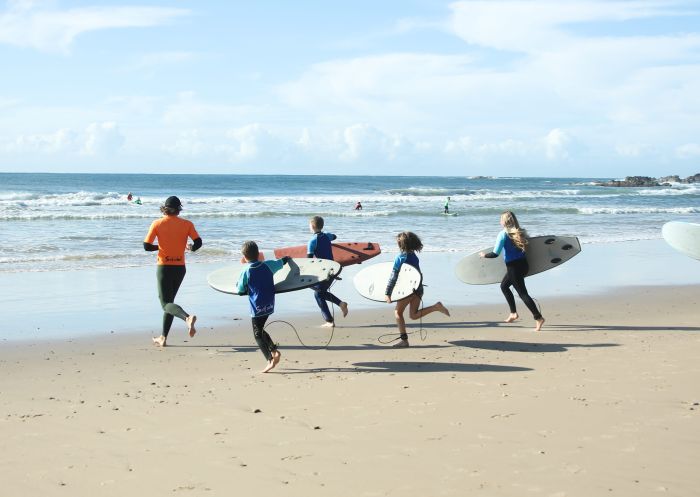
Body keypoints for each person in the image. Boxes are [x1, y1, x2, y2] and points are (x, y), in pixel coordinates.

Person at [143, 196, 201, 347]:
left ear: (165, 208)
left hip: (164, 267)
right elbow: (198, 242)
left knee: (165, 304)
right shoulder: (187, 224)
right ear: (179, 208)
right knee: (170, 303)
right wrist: (190, 248)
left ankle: (187, 317)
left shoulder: (157, 223)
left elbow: (147, 246)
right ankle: (163, 337)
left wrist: (160, 247)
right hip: (180, 268)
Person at [480, 211, 545, 331]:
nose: (499, 221)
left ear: (504, 221)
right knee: (504, 286)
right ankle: (513, 313)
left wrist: (484, 255)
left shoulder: (503, 234)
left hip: (513, 268)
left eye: (500, 219)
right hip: (524, 265)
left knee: (523, 294)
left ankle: (538, 317)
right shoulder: (521, 232)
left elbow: (495, 253)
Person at [384, 231, 450, 348]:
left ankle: (404, 340)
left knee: (398, 312)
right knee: (413, 315)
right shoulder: (414, 257)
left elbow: (393, 276)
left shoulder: (400, 258)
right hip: (418, 289)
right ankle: (436, 307)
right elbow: (418, 274)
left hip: (408, 291)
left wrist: (388, 293)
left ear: (401, 245)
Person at [237, 241, 291, 373]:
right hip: (269, 303)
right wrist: (286, 259)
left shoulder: (246, 271)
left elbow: (240, 289)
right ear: (259, 254)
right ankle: (274, 351)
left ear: (244, 257)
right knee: (260, 330)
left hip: (257, 306)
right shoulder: (268, 265)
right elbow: (280, 263)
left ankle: (270, 358)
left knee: (257, 334)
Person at [307, 215, 348, 327]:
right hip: (333, 269)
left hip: (324, 272)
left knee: (317, 293)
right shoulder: (326, 236)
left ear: (313, 226)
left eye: (310, 225)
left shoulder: (312, 241)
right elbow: (334, 236)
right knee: (320, 293)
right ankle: (341, 304)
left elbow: (309, 261)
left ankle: (329, 320)